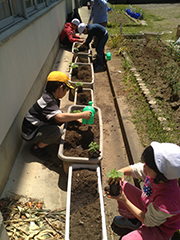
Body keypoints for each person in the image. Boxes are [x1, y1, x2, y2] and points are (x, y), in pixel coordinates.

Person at [106, 141, 180, 240]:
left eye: (148, 166)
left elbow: (148, 221)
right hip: (148, 207)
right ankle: (134, 221)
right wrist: (122, 171)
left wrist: (125, 200)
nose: (144, 166)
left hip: (158, 229)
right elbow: (139, 169)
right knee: (121, 186)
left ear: (159, 173)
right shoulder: (159, 176)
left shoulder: (167, 201)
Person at [21, 71, 91, 161]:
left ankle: (42, 139)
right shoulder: (48, 101)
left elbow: (57, 115)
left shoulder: (51, 97)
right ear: (61, 88)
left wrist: (71, 118)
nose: (66, 92)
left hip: (35, 127)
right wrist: (81, 115)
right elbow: (59, 117)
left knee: (59, 121)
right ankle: (37, 148)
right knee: (57, 132)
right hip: (30, 133)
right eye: (66, 89)